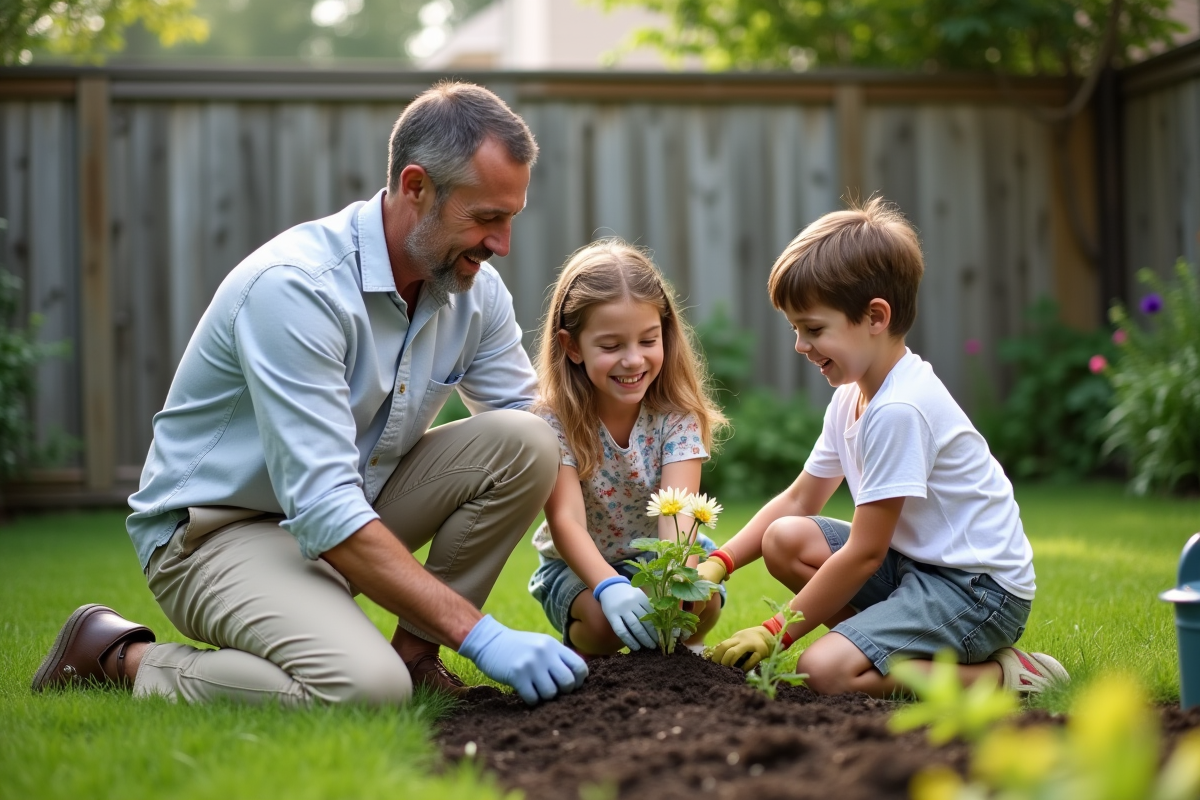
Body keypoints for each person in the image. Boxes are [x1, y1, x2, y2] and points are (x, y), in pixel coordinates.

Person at [30, 81, 588, 707]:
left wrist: (613, 571)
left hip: (347, 513)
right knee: (365, 693)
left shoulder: (472, 291)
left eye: (510, 218)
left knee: (529, 441)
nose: (501, 244)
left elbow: (539, 433)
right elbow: (324, 506)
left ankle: (415, 657)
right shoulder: (297, 289)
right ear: (415, 186)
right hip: (216, 535)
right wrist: (482, 636)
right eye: (486, 217)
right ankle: (118, 657)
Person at [701, 198, 1069, 696]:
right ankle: (875, 649)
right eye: (795, 330)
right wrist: (718, 563)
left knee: (822, 672)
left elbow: (865, 553)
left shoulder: (901, 409)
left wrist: (775, 632)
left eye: (813, 329)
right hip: (915, 568)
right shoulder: (853, 395)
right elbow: (798, 500)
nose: (800, 346)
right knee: (785, 539)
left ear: (875, 316)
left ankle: (1005, 677)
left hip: (978, 591)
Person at [527, 239, 728, 656]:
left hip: (660, 555)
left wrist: (675, 586)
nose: (634, 360)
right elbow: (566, 523)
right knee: (604, 624)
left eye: (648, 340)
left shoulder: (676, 416)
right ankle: (589, 660)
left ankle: (686, 658)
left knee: (696, 599)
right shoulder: (553, 421)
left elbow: (680, 515)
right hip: (579, 567)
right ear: (572, 347)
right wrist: (609, 585)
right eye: (611, 345)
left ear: (665, 334)